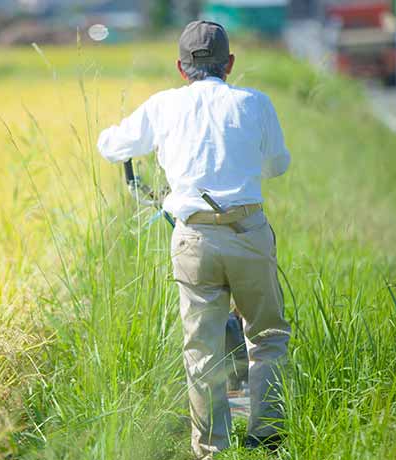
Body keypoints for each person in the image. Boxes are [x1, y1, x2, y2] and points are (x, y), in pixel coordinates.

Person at [96, 20, 291, 459]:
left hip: (193, 238)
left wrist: (126, 141)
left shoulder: (163, 106)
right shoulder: (255, 103)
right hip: (248, 232)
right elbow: (277, 165)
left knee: (202, 350)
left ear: (181, 68)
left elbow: (111, 145)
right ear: (231, 64)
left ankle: (212, 449)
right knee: (268, 335)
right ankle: (267, 437)